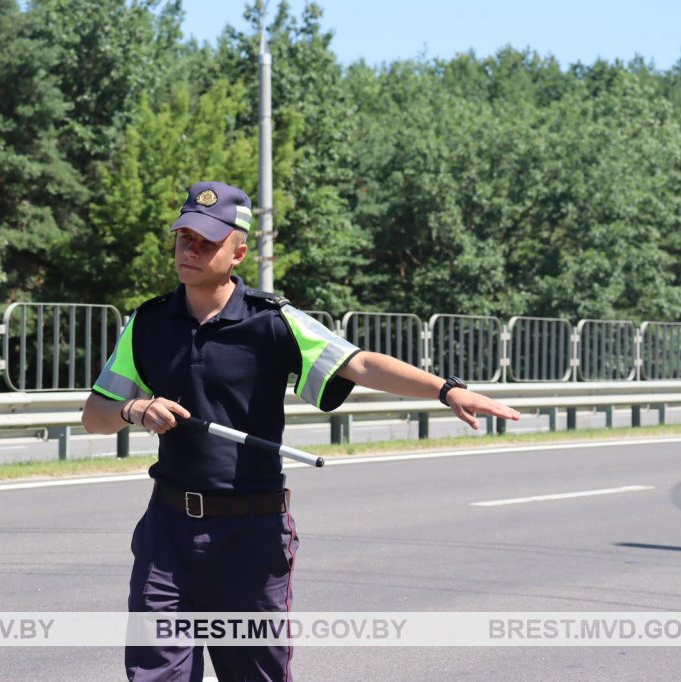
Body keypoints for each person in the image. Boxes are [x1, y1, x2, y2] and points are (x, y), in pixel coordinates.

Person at [81, 181, 521, 681]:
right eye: (184, 237)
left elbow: (362, 365)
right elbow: (95, 414)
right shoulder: (148, 323)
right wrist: (135, 409)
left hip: (251, 536)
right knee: (153, 675)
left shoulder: (273, 323)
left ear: (239, 251)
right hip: (168, 533)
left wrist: (447, 390)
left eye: (208, 241)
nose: (191, 249)